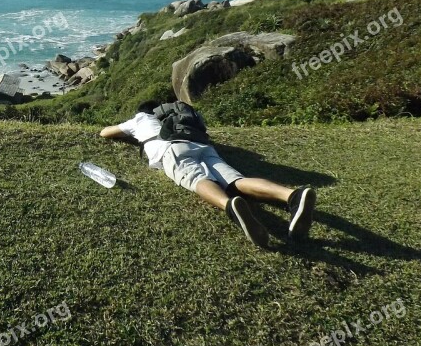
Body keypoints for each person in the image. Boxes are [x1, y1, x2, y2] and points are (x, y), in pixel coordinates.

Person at [99, 100, 316, 248]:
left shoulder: (140, 119)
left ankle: (228, 205)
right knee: (235, 180)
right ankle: (291, 196)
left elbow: (105, 133)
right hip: (202, 145)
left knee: (197, 179)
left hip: (171, 150)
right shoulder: (179, 115)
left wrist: (134, 133)